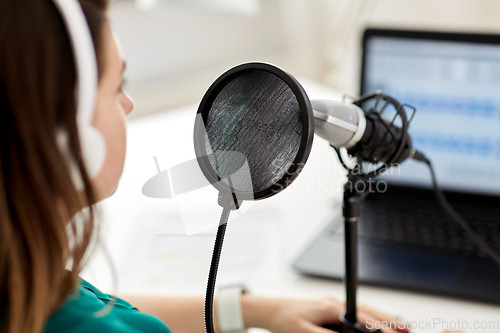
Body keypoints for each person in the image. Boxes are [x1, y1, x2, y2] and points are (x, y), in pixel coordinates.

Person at [0, 1, 412, 333]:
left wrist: (252, 311)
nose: (128, 105)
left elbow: (106, 308)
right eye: (115, 87)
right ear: (66, 137)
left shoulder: (22, 274)